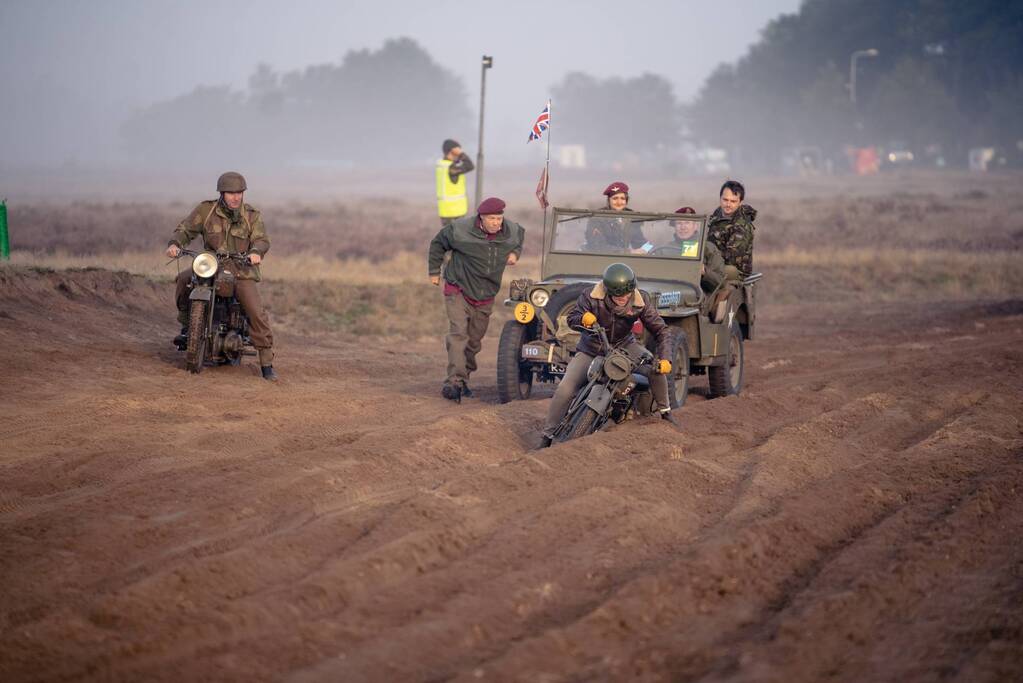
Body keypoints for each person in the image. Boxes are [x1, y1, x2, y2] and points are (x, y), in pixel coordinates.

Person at [542, 263, 677, 445]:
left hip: (625, 345)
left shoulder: (641, 300)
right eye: (617, 295)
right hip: (592, 348)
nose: (622, 298)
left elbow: (662, 331)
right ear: (606, 290)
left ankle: (666, 412)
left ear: (632, 289)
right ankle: (547, 435)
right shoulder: (590, 296)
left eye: (626, 294)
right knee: (564, 389)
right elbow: (572, 318)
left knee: (656, 368)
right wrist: (582, 318)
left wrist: (666, 359)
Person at [165, 171, 277, 381]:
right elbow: (186, 229)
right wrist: (175, 244)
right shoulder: (206, 210)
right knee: (182, 279)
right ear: (222, 193)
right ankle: (188, 324)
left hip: (241, 269)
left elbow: (262, 239)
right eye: (230, 193)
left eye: (239, 193)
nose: (236, 197)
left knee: (255, 310)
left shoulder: (251, 215)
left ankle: (266, 361)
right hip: (211, 264)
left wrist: (255, 253)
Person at [428, 197, 525, 402]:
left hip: (486, 295)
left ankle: (464, 379)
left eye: (499, 218)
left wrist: (515, 253)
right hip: (458, 289)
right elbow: (438, 243)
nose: (496, 223)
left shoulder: (510, 231)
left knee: (473, 342)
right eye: (492, 219)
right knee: (458, 334)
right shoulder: (460, 230)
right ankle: (454, 381)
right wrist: (434, 271)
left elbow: (520, 236)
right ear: (481, 218)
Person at [706, 179, 756, 279]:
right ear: (720, 198)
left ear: (740, 202)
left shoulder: (742, 226)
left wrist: (707, 262)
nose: (728, 204)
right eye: (725, 200)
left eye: (733, 201)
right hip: (715, 262)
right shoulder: (718, 214)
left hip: (735, 270)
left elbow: (731, 258)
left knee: (704, 273)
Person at [670, 206, 725, 293]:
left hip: (700, 296)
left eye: (687, 223)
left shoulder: (707, 248)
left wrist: (705, 272)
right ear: (675, 227)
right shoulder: (665, 249)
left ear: (695, 226)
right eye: (679, 223)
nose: (683, 227)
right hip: (668, 290)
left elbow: (720, 282)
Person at [583, 181, 648, 253]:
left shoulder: (630, 218)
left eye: (622, 198)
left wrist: (650, 249)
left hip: (624, 260)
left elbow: (640, 241)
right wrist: (628, 252)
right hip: (600, 259)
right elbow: (597, 246)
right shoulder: (597, 218)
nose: (619, 202)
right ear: (609, 201)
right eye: (615, 198)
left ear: (626, 201)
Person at [436, 139, 475, 226]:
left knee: (449, 238)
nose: (460, 152)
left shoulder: (442, 165)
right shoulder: (451, 168)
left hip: (446, 212)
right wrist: (461, 154)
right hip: (454, 213)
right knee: (457, 239)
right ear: (453, 151)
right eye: (458, 150)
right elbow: (470, 166)